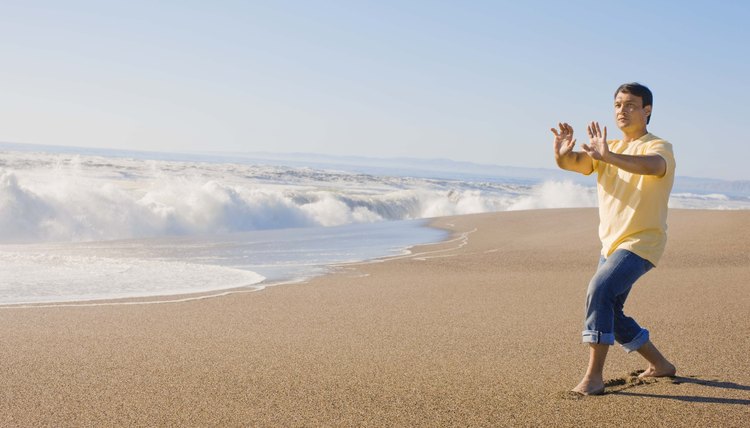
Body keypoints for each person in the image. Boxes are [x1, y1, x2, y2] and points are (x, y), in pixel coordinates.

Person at [551, 82, 677, 396]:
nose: (622, 110)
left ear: (647, 111)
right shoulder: (605, 150)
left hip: (642, 242)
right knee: (611, 309)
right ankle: (660, 365)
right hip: (610, 244)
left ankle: (594, 377)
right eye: (618, 105)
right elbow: (577, 163)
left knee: (599, 289)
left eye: (631, 105)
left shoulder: (657, 146)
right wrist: (562, 155)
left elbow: (652, 167)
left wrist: (609, 156)